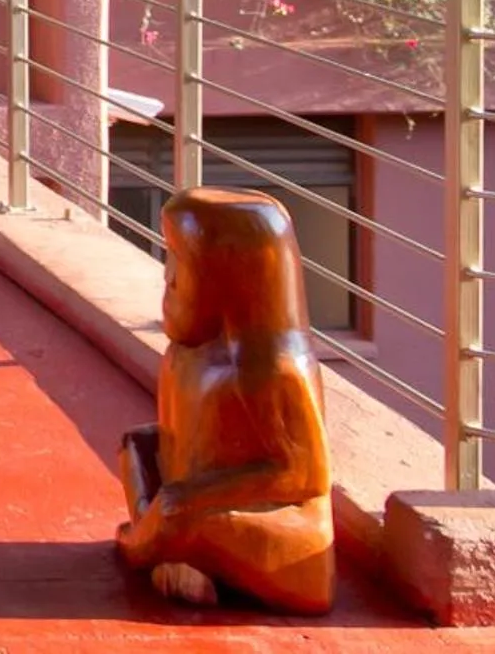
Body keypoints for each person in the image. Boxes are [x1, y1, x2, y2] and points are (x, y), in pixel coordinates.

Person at [118, 188, 335, 615]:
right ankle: (168, 544)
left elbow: (304, 476)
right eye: (170, 257)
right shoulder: (187, 356)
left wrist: (191, 498)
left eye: (183, 261)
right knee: (137, 448)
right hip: (195, 502)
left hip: (281, 534)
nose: (170, 277)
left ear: (231, 276)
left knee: (180, 513)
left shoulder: (274, 369)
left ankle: (145, 544)